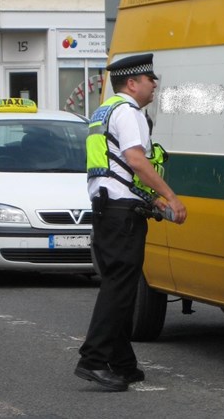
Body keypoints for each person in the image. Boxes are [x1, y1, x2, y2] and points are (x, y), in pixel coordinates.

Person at [75, 53, 187, 392]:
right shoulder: (130, 113)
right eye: (150, 79)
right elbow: (136, 161)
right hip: (121, 214)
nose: (155, 84)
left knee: (119, 286)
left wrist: (152, 200)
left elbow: (117, 171)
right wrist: (170, 196)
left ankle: (122, 363)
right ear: (132, 83)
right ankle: (93, 360)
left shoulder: (104, 111)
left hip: (108, 209)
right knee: (120, 288)